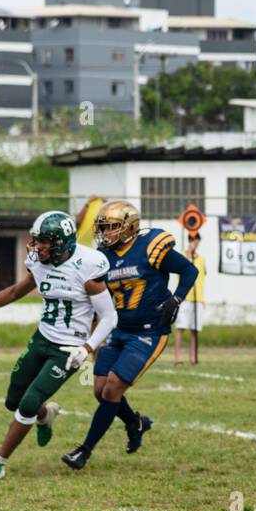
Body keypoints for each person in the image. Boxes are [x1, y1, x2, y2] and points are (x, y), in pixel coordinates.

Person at [0, 211, 117, 481]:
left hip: (69, 348)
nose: (37, 246)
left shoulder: (88, 267)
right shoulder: (39, 262)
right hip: (42, 338)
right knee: (13, 401)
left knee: (28, 403)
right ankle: (46, 415)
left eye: (44, 241)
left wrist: (86, 349)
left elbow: (110, 317)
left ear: (62, 243)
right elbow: (17, 292)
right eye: (36, 240)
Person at [62, 199, 199, 471]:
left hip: (149, 331)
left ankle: (84, 451)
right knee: (100, 390)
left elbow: (188, 269)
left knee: (113, 387)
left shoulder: (149, 247)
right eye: (103, 227)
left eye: (112, 227)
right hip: (119, 328)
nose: (106, 233)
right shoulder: (103, 257)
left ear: (129, 227)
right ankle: (135, 423)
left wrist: (177, 299)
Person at [173, 231, 207, 366]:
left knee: (195, 330)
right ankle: (177, 358)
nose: (195, 242)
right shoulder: (183, 255)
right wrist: (188, 253)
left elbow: (202, 279)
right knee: (180, 328)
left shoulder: (202, 259)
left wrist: (203, 299)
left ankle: (193, 358)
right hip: (185, 297)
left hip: (198, 298)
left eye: (197, 240)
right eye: (192, 239)